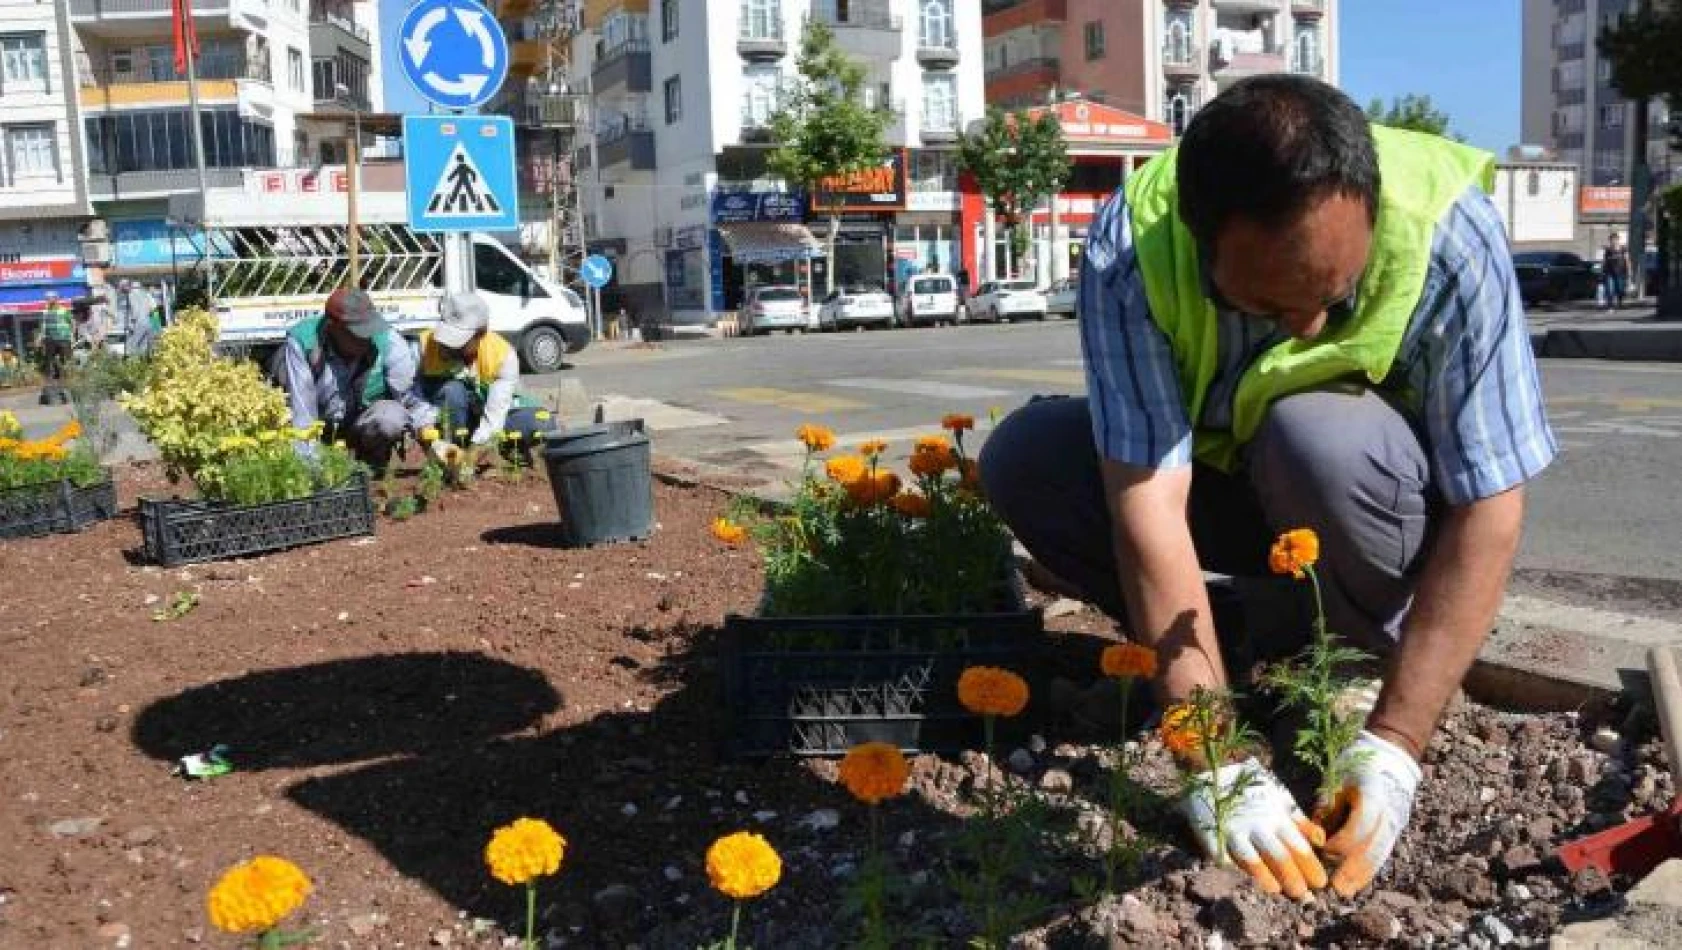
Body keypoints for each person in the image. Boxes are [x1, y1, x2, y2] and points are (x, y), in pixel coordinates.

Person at [980, 75, 1555, 901]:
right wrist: (1211, 759)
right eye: (1262, 304)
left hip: (1367, 500)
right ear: (1199, 235)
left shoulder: (1449, 231)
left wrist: (1397, 743)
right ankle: (1244, 647)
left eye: (1334, 296)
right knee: (1026, 458)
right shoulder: (1132, 246)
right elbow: (1147, 500)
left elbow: (1491, 500)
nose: (1309, 327)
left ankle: (1360, 657)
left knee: (1312, 430)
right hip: (1230, 492)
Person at [272, 287, 430, 468]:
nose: (366, 338)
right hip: (320, 425)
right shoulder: (304, 343)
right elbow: (303, 415)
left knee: (391, 418)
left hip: (362, 425)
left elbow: (411, 400)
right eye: (358, 333)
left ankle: (368, 464)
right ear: (333, 327)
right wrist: (312, 472)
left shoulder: (389, 341)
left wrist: (432, 439)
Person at [414, 292, 553, 460]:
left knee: (540, 422)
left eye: (459, 342)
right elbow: (409, 394)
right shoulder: (422, 346)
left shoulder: (502, 355)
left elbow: (495, 415)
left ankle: (505, 449)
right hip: (442, 418)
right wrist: (424, 427)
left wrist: (471, 457)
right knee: (453, 391)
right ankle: (451, 449)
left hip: (485, 415)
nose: (448, 347)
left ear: (480, 334)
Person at [37, 291, 73, 404]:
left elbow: (72, 322)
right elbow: (43, 326)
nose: (48, 300)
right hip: (50, 339)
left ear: (56, 299)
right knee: (48, 361)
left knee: (66, 361)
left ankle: (68, 381)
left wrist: (72, 336)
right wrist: (40, 338)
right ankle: (50, 383)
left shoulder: (64, 310)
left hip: (63, 339)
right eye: (47, 298)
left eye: (50, 298)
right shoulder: (45, 312)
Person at [115, 280, 157, 357]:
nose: (121, 290)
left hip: (138, 324)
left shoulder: (131, 295)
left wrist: (131, 324)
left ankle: (131, 365)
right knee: (143, 348)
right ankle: (142, 365)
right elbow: (153, 309)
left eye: (121, 288)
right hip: (148, 323)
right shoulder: (146, 294)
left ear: (126, 287)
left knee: (130, 348)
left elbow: (135, 311)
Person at [1601, 231, 1631, 310]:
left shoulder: (1623, 249)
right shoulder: (1608, 250)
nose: (1613, 241)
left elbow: (1627, 260)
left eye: (1615, 239)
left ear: (1618, 240)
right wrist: (1602, 270)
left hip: (1620, 272)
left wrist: (1629, 271)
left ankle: (1620, 301)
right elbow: (1604, 260)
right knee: (1609, 289)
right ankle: (1610, 306)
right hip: (1609, 272)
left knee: (1619, 289)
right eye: (1611, 240)